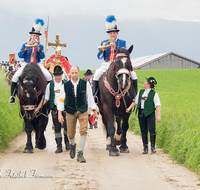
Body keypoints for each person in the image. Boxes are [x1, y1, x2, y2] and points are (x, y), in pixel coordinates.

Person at [57, 66, 98, 163]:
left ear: (79, 73)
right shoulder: (65, 85)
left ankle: (80, 153)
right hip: (70, 111)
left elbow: (90, 98)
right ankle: (72, 145)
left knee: (83, 130)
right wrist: (60, 113)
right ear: (70, 73)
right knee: (70, 134)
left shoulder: (85, 84)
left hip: (83, 109)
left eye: (76, 73)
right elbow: (61, 99)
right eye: (72, 73)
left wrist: (94, 110)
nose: (74, 75)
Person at [92, 15, 138, 102]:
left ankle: (135, 96)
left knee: (134, 75)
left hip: (119, 64)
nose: (112, 35)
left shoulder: (122, 42)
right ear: (109, 34)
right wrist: (102, 50)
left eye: (114, 33)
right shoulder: (104, 42)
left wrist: (115, 47)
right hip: (107, 63)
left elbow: (124, 53)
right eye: (111, 33)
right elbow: (98, 57)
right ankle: (95, 96)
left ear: (117, 33)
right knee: (97, 74)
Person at [9, 18, 52, 104]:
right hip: (26, 65)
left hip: (37, 64)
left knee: (49, 76)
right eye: (34, 36)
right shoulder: (25, 44)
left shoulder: (41, 46)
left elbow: (42, 56)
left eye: (37, 36)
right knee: (15, 77)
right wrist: (25, 48)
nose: (35, 37)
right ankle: (12, 96)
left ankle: (49, 95)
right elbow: (20, 55)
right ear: (31, 36)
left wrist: (38, 48)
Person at [35, 65, 70, 153]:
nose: (58, 77)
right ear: (54, 75)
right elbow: (45, 98)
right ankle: (59, 146)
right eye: (56, 75)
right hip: (54, 109)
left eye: (59, 75)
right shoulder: (50, 85)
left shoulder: (67, 83)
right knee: (57, 128)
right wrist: (38, 107)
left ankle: (67, 142)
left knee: (67, 127)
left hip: (66, 109)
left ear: (62, 75)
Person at [126, 77, 161, 154]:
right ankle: (145, 147)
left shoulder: (154, 94)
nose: (144, 82)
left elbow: (158, 105)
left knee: (152, 129)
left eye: (146, 82)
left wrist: (158, 115)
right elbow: (135, 102)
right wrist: (129, 108)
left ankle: (152, 147)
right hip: (141, 113)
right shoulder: (141, 92)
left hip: (150, 113)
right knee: (143, 130)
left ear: (148, 85)